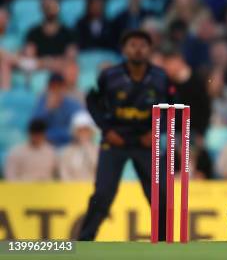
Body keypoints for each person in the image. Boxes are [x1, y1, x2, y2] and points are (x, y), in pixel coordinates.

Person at [78, 30, 173, 241]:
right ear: (123, 49)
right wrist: (106, 130)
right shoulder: (109, 76)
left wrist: (157, 132)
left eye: (143, 45)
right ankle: (84, 241)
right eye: (133, 45)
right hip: (115, 140)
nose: (138, 49)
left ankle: (164, 241)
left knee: (162, 195)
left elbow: (172, 108)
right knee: (102, 195)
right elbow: (92, 101)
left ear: (150, 49)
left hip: (147, 141)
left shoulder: (161, 77)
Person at [58, 110, 99, 181]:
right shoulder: (67, 151)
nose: (83, 133)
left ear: (91, 132)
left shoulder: (98, 150)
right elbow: (64, 173)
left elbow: (99, 170)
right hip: (72, 189)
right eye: (80, 130)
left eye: (86, 130)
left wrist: (88, 148)